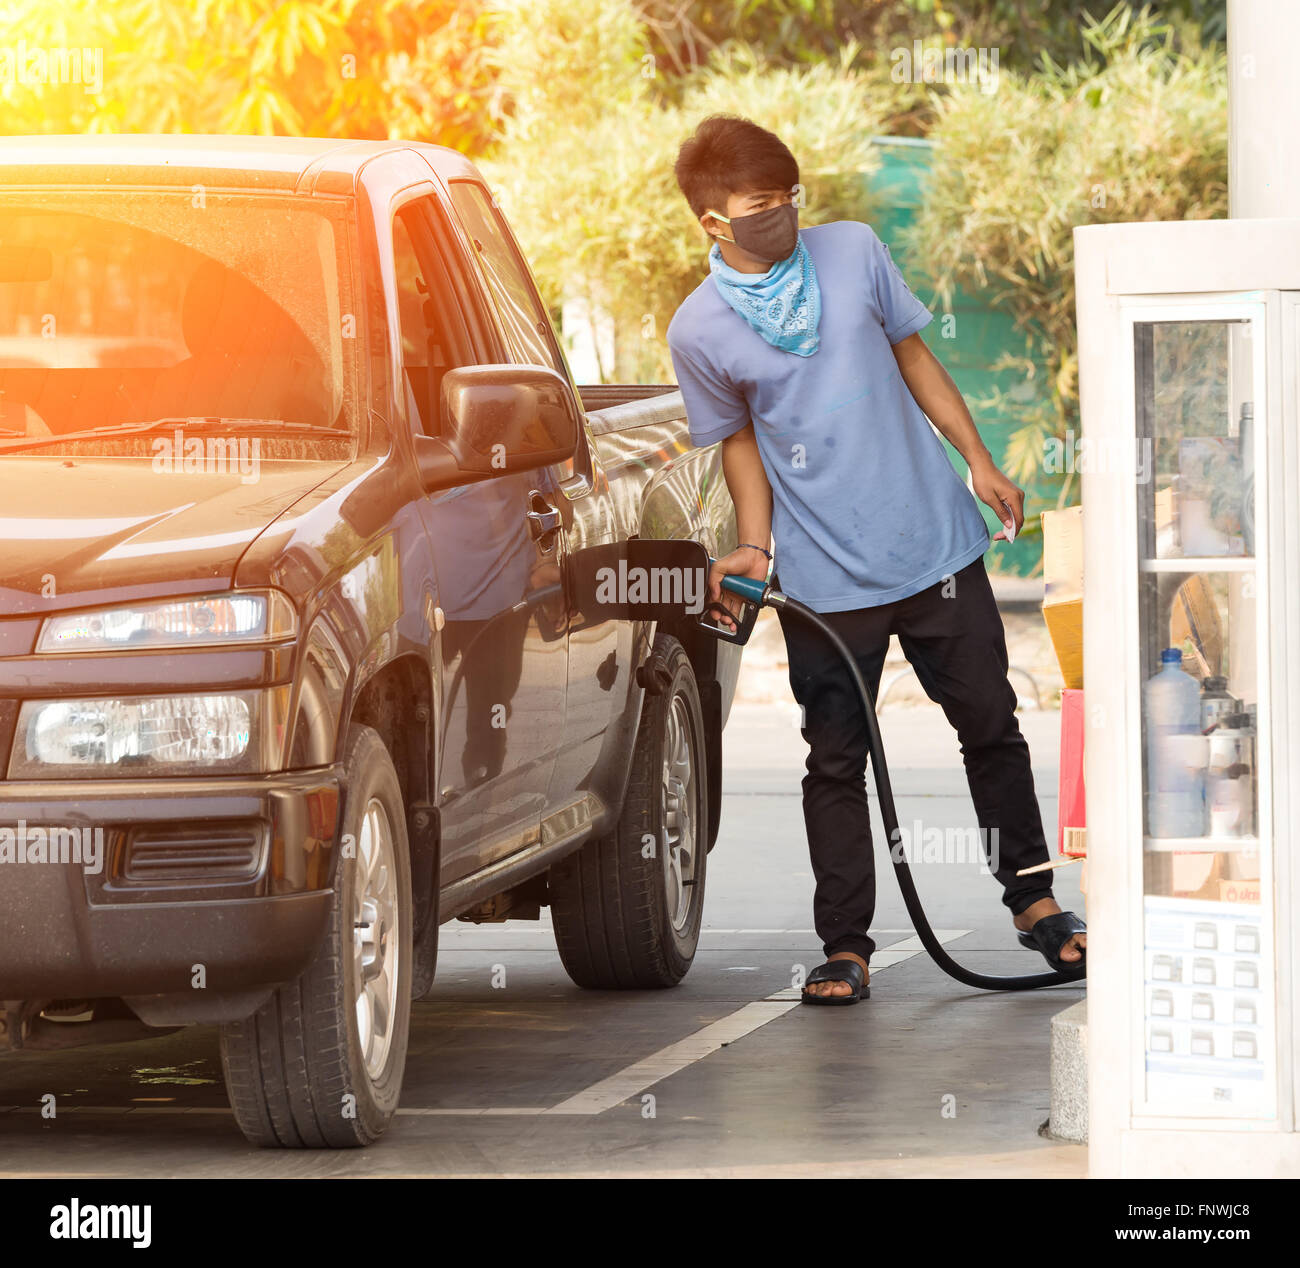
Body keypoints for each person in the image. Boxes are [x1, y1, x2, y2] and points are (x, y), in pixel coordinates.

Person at [665, 114, 1087, 1004]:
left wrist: (977, 458)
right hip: (825, 577)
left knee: (992, 726)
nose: (781, 213)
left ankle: (1036, 901)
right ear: (713, 221)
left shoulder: (852, 252)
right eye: (759, 204)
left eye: (788, 197)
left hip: (934, 544)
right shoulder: (699, 330)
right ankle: (845, 948)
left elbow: (916, 360)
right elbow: (740, 447)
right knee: (833, 762)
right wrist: (754, 544)